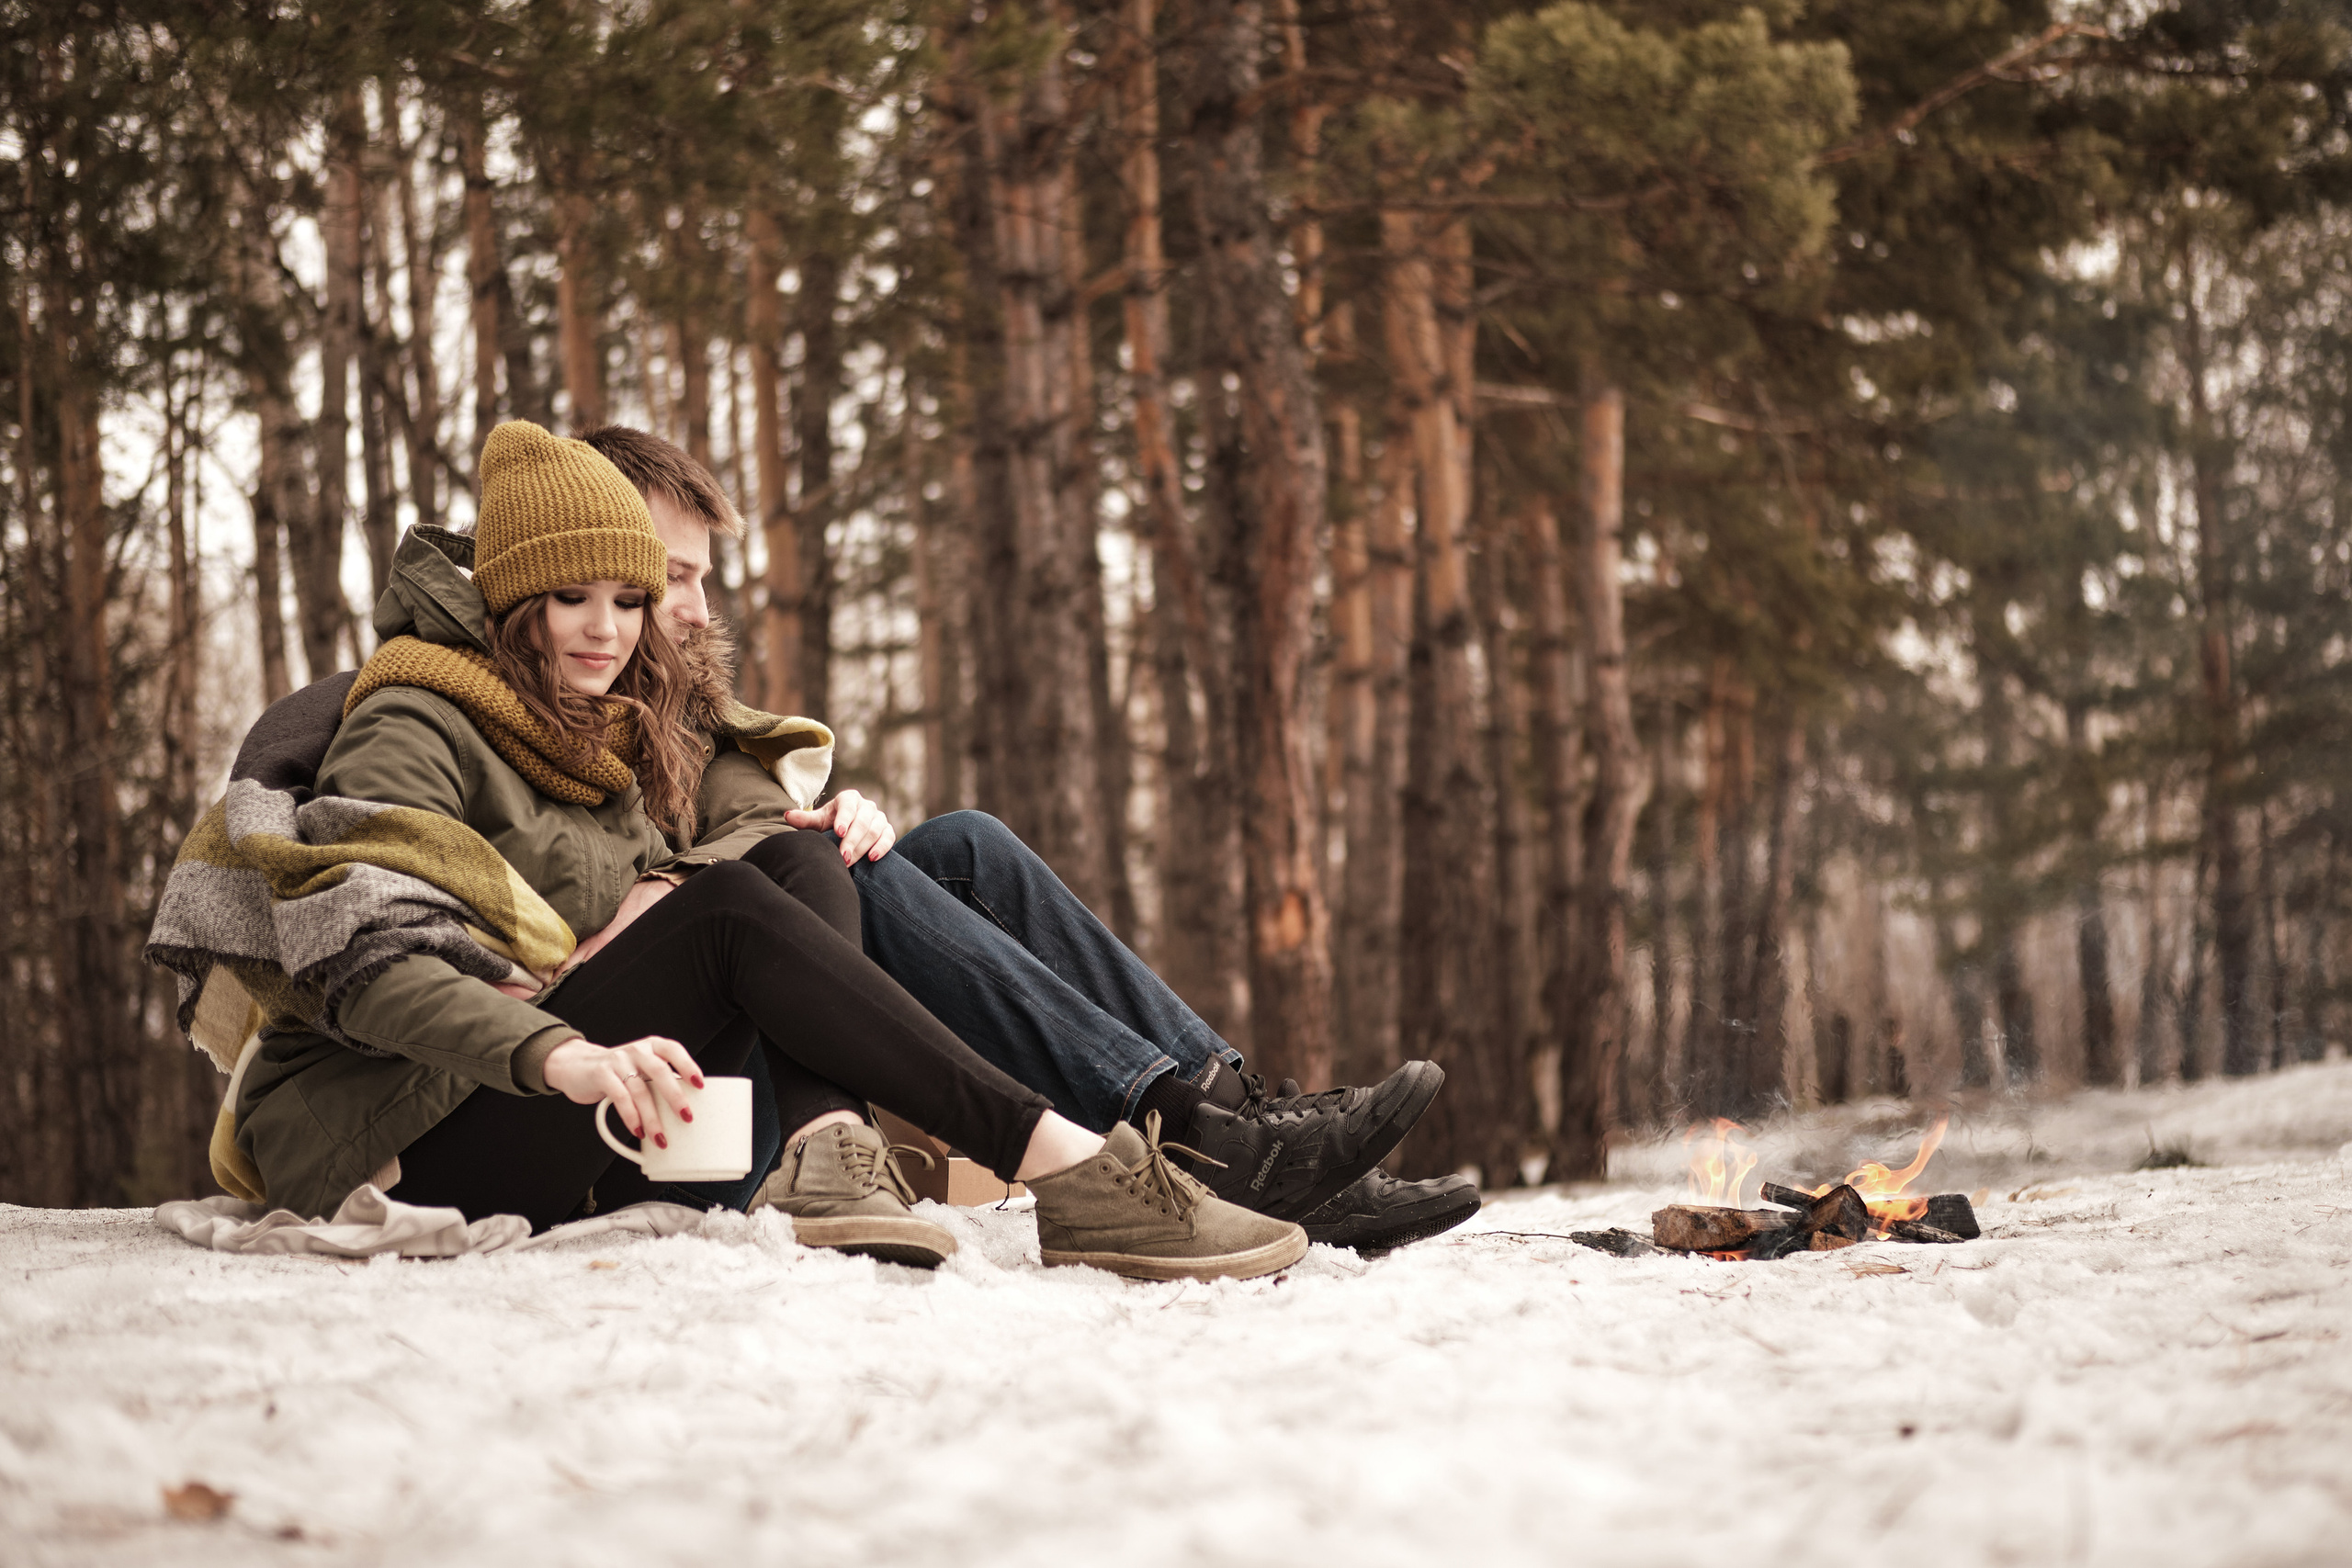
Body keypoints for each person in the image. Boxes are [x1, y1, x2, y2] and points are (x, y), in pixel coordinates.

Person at [227, 419, 1315, 1282]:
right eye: (572, 598)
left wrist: (792, 844)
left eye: (628, 600)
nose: (609, 629)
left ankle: (868, 1142)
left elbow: (750, 827)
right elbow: (368, 964)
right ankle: (1076, 1168)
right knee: (737, 908)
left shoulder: (601, 720)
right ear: (512, 597)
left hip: (583, 1094)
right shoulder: (414, 720)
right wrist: (564, 1050)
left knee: (810, 857)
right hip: (405, 1133)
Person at [574, 424, 1483, 1254]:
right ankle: (1212, 1146)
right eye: (675, 575)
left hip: (732, 1081)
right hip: (657, 1129)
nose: (697, 608)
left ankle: (1231, 1124)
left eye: (702, 576)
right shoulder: (523, 717)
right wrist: (782, 859)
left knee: (962, 849)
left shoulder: (685, 721)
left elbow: (758, 836)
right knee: (836, 871)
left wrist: (837, 828)